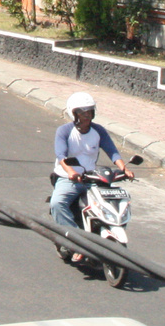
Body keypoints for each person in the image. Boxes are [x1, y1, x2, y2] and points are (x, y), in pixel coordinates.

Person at [49, 90, 130, 264]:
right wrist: (71, 171)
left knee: (111, 203)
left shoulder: (98, 131)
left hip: (93, 178)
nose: (87, 116)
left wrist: (124, 168)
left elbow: (112, 151)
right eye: (82, 112)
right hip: (68, 178)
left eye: (89, 112)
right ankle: (77, 243)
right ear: (74, 113)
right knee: (57, 203)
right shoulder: (64, 131)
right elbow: (61, 155)